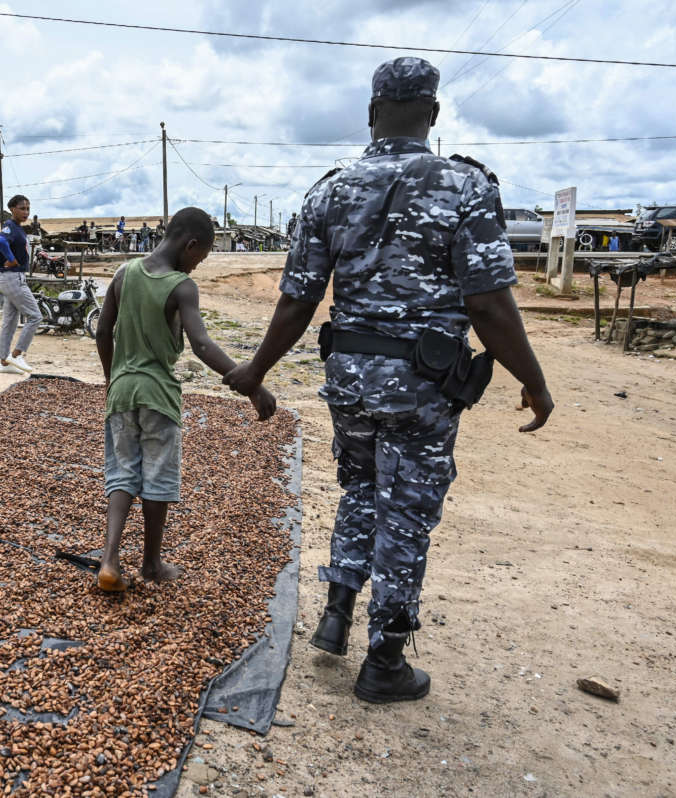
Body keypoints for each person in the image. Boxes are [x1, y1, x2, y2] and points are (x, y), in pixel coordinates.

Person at [225, 57, 554, 704]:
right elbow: (488, 302)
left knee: (361, 487)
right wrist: (534, 381)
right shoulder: (465, 187)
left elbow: (297, 298)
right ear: (431, 114)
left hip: (349, 375)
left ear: (371, 112)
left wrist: (257, 368)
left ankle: (337, 611)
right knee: (405, 512)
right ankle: (384, 662)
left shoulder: (330, 190)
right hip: (421, 384)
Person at [94, 207, 277, 592]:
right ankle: (151, 564)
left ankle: (109, 560)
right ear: (190, 244)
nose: (197, 266)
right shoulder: (180, 286)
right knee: (157, 477)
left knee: (123, 473)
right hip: (158, 395)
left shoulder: (124, 273)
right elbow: (202, 345)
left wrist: (113, 379)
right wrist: (253, 385)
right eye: (201, 257)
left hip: (122, 393)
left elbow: (103, 332)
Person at [0, 194, 41, 375]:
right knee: (35, 316)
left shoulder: (18, 228)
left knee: (10, 322)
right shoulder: (10, 227)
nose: (26, 212)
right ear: (12, 209)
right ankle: (17, 354)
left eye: (28, 208)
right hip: (14, 278)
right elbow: (0, 241)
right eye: (22, 208)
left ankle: (4, 363)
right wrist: (12, 260)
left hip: (9, 278)